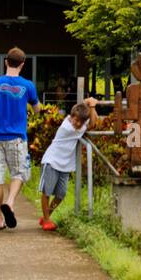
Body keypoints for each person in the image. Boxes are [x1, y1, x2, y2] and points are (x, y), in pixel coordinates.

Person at [0, 47, 39, 230]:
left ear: (6, 62)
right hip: (18, 138)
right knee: (18, 174)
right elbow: (37, 110)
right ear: (22, 64)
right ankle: (10, 203)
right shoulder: (28, 86)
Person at [37, 98, 98, 230]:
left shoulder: (79, 126)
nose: (77, 124)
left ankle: (46, 216)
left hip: (65, 165)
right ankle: (47, 220)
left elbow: (92, 121)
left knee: (60, 195)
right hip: (51, 161)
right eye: (75, 120)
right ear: (71, 117)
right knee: (47, 192)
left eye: (80, 122)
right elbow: (92, 123)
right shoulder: (67, 127)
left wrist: (90, 106)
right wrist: (91, 105)